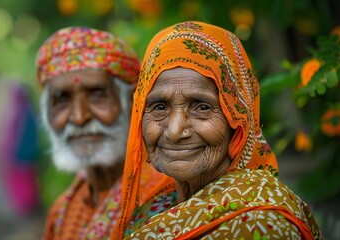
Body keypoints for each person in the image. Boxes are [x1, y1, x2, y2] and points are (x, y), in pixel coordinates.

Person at [113, 21, 323, 239]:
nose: (175, 131)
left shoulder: (262, 224)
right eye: (159, 107)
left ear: (239, 119)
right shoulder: (154, 208)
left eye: (202, 107)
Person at [35, 26, 140, 239]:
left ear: (132, 102)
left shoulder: (167, 200)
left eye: (97, 94)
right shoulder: (62, 212)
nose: (79, 117)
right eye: (62, 99)